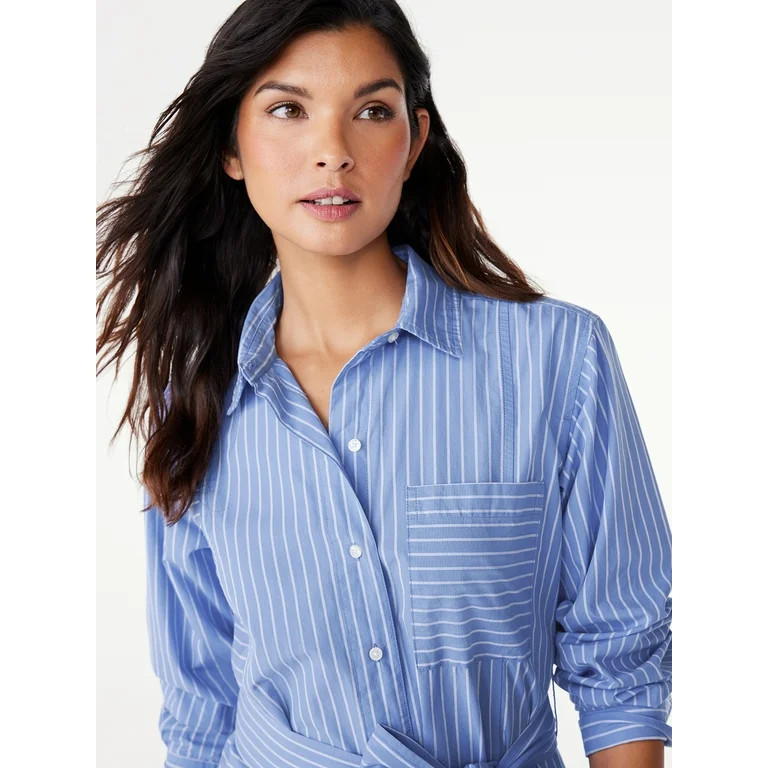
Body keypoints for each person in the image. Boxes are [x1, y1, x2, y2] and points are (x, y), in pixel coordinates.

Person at [95, 1, 672, 766]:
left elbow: (622, 660)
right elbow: (202, 706)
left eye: (371, 111)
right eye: (288, 110)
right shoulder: (198, 396)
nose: (332, 152)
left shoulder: (556, 359)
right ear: (231, 146)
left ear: (414, 141)